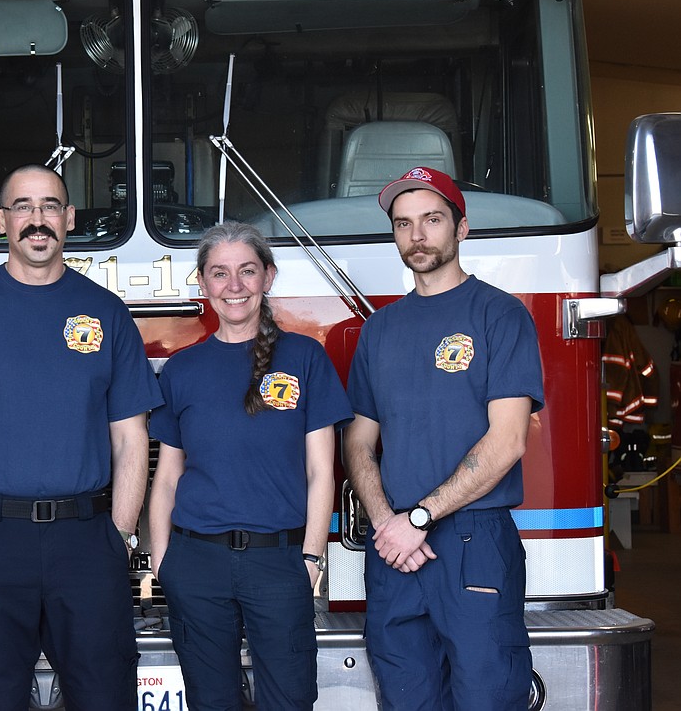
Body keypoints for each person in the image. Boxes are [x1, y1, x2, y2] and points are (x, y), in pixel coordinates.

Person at [0, 164, 162, 711]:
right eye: (22, 206)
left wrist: (116, 536)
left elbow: (131, 440)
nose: (37, 220)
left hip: (86, 542)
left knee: (104, 696)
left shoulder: (107, 313)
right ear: (1, 221)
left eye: (50, 206)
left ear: (69, 219)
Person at [342, 166, 544, 710]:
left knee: (485, 697)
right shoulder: (380, 329)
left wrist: (419, 519)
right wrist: (387, 522)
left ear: (462, 229)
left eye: (432, 219)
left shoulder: (500, 316)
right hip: (395, 550)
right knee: (405, 699)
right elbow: (359, 440)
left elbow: (507, 441)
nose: (417, 235)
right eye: (403, 223)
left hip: (472, 541)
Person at [148, 220, 352, 710]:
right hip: (196, 563)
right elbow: (168, 476)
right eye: (219, 273)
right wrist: (163, 562)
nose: (233, 286)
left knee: (290, 699)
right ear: (202, 282)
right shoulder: (182, 369)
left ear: (268, 277)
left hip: (279, 562)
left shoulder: (305, 358)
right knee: (210, 701)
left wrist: (310, 559)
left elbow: (322, 472)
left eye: (247, 271)